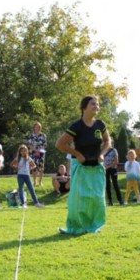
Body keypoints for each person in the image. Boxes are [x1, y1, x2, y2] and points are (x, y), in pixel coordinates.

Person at [55, 95, 111, 234]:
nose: (96, 106)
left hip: (96, 167)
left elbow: (107, 141)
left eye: (97, 104)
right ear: (84, 107)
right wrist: (78, 154)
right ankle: (76, 227)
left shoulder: (100, 125)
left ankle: (93, 225)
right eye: (93, 104)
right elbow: (60, 144)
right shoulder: (77, 126)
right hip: (80, 167)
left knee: (97, 198)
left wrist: (102, 154)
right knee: (79, 199)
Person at [27, 122, 47, 186]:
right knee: (34, 167)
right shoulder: (31, 135)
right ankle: (34, 181)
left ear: (40, 128)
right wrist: (35, 150)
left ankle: (40, 182)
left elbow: (45, 145)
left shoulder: (43, 135)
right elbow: (29, 145)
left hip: (41, 153)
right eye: (36, 127)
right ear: (34, 128)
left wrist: (39, 150)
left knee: (41, 167)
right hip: (33, 153)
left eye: (38, 127)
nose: (37, 128)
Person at [103, 140, 123, 206]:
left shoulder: (114, 150)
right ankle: (110, 201)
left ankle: (120, 200)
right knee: (107, 185)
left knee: (115, 184)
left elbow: (116, 161)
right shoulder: (103, 150)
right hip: (105, 170)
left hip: (113, 169)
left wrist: (108, 166)